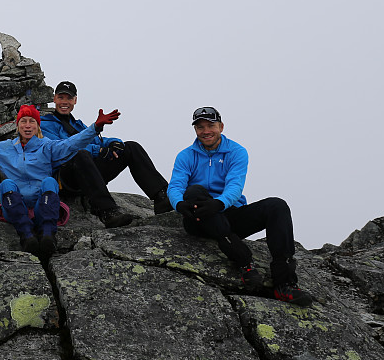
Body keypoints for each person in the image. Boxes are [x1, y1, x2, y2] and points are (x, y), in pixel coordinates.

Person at [167, 107, 313, 306]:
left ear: (221, 126)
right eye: (200, 127)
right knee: (193, 191)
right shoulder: (186, 156)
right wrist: (179, 204)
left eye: (211, 125)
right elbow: (175, 186)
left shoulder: (236, 152)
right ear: (195, 130)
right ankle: (243, 260)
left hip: (229, 215)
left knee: (277, 206)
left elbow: (235, 186)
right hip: (198, 219)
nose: (206, 131)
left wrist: (219, 203)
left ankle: (285, 283)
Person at [0, 102, 120, 259]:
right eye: (23, 122)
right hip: (15, 203)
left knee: (49, 182)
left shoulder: (47, 146)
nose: (27, 126)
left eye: (32, 122)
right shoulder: (4, 149)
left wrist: (95, 127)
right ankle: (26, 235)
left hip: (42, 203)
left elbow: (72, 144)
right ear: (17, 125)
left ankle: (48, 235)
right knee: (6, 184)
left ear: (38, 126)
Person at [41, 81, 173, 227]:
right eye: (61, 97)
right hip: (65, 179)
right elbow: (62, 149)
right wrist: (99, 151)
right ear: (54, 99)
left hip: (88, 173)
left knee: (130, 147)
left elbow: (96, 140)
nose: (64, 102)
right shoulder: (44, 124)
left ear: (75, 100)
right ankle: (107, 211)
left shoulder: (77, 125)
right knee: (80, 154)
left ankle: (162, 197)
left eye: (69, 98)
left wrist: (113, 143)